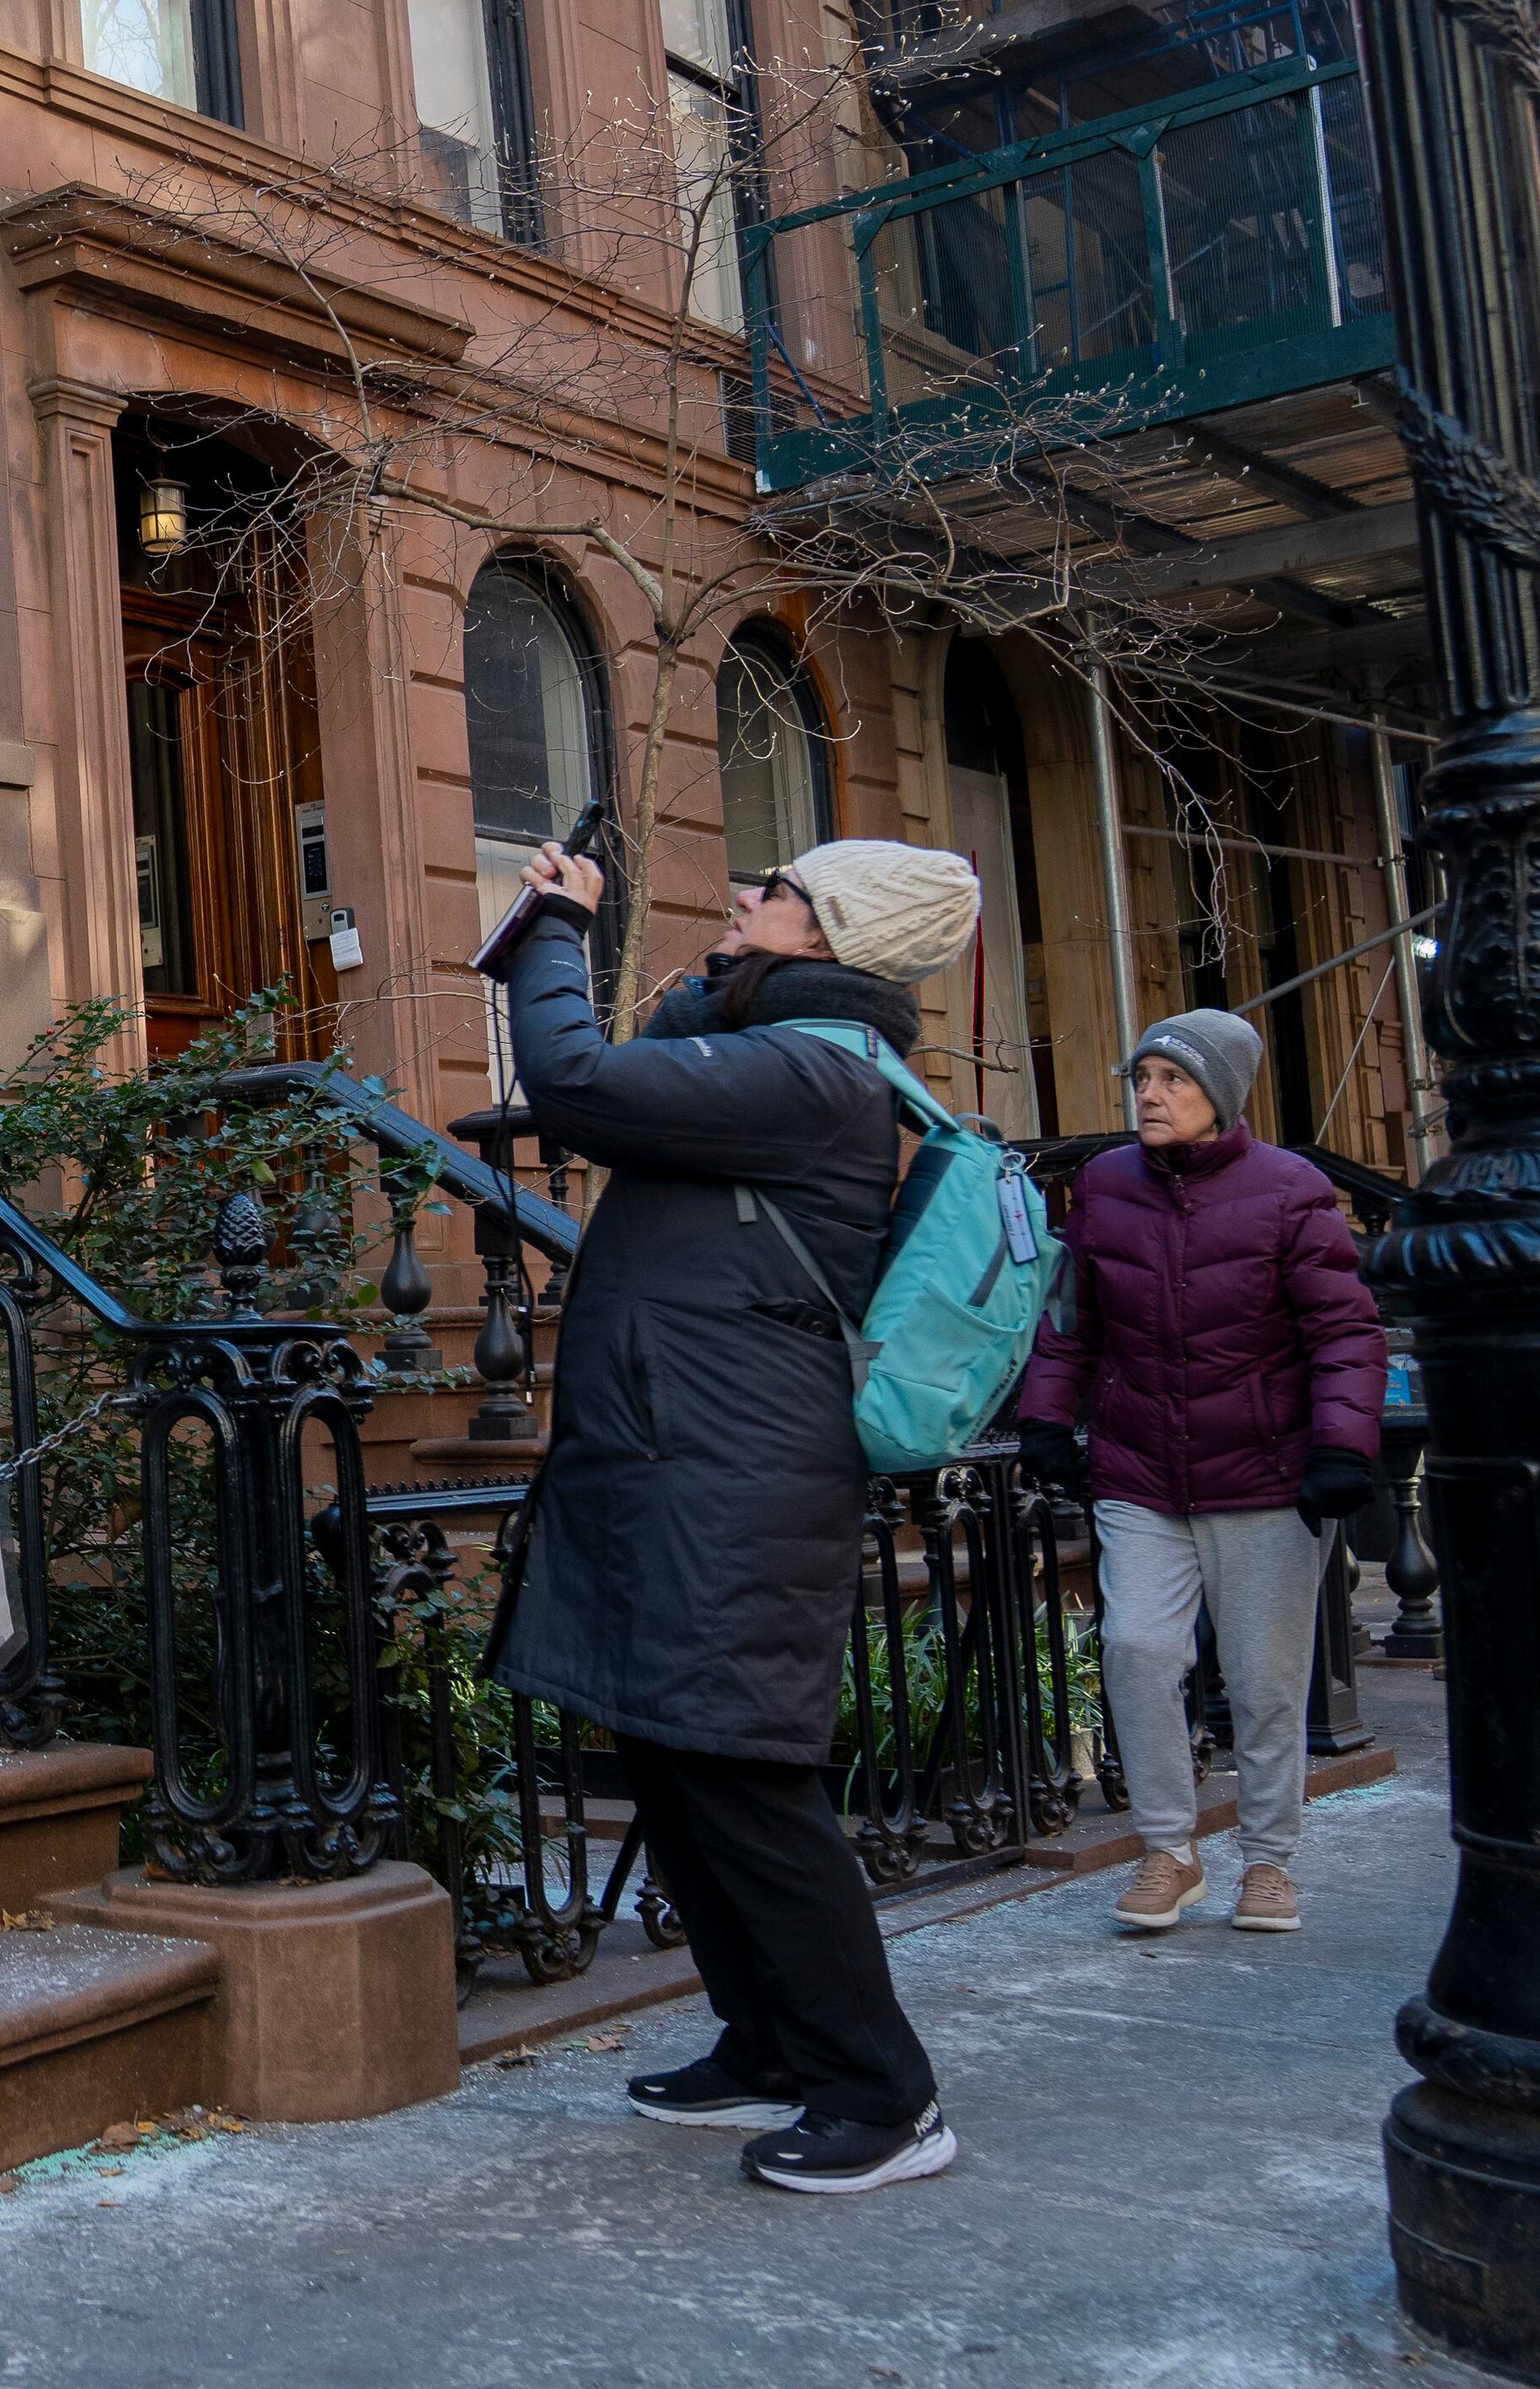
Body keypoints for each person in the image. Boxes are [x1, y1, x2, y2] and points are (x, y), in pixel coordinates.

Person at [489, 833, 987, 2196]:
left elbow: (580, 1082)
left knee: (744, 1782)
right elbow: (664, 1059)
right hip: (680, 1456)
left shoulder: (814, 1074)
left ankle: (884, 2095)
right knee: (669, 1754)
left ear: (832, 937)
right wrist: (717, 974)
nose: (747, 897)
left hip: (737, 1475)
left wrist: (551, 930)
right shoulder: (780, 1046)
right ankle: (766, 2040)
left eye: (777, 892)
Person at [1013, 1009, 1386, 1935]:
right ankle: (1166, 1853)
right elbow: (1071, 1320)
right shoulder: (1102, 1185)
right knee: (1137, 1651)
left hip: (1263, 1477)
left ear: (1218, 1094)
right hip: (1139, 1472)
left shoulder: (1289, 1190)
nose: (1147, 1095)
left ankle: (1267, 1865)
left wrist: (1342, 1444)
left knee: (1263, 1683)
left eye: (1171, 1081)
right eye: (1140, 1078)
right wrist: (1045, 1419)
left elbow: (1342, 1329)